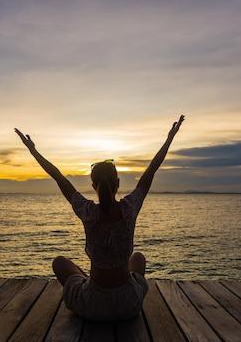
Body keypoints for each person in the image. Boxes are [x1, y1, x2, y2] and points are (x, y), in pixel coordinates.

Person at [14, 115, 184, 320]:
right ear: (118, 183)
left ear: (93, 185)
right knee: (138, 257)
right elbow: (151, 170)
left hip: (92, 304)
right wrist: (169, 139)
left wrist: (33, 150)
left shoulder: (88, 212)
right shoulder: (129, 209)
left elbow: (58, 177)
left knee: (59, 262)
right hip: (128, 304)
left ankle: (87, 282)